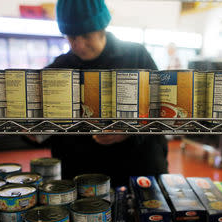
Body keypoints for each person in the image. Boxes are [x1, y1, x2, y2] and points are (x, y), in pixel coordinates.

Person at [46, 0, 168, 188]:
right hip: (82, 176)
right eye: (71, 37)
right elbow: (48, 130)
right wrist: (32, 128)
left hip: (137, 170)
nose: (78, 45)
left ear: (102, 28)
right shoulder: (59, 68)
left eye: (86, 36)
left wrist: (130, 131)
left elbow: (163, 109)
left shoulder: (136, 57)